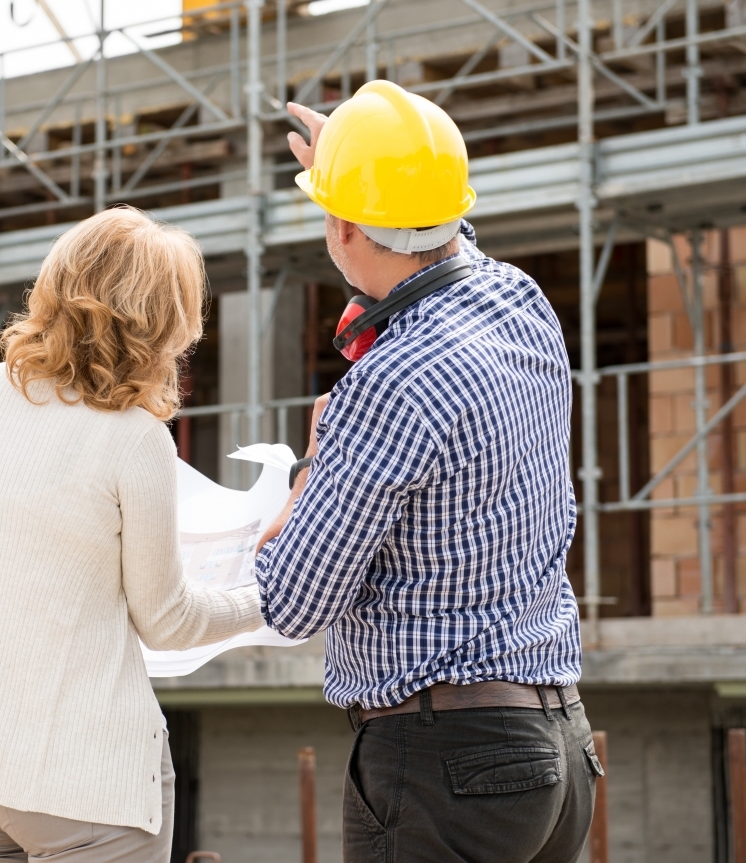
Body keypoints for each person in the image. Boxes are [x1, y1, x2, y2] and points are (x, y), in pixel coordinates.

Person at [255, 80, 599, 863]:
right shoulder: (521, 301)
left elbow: (294, 601)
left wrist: (309, 474)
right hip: (558, 749)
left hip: (444, 763)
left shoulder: (387, 381)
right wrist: (368, 157)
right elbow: (440, 234)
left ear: (340, 226)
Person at [0, 206, 263, 863]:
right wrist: (267, 596)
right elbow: (169, 621)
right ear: (164, 323)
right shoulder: (135, 437)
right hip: (85, 782)